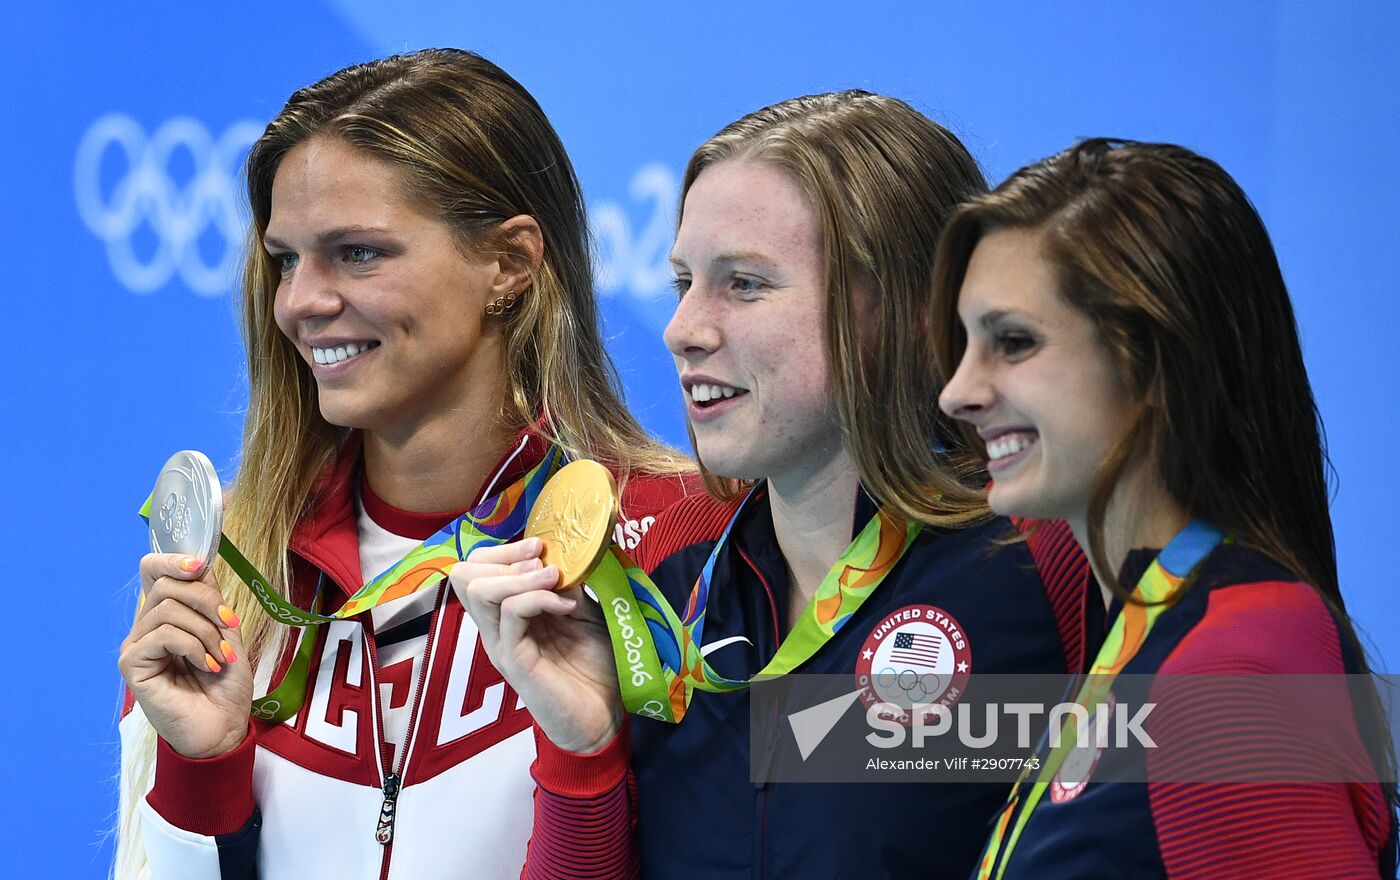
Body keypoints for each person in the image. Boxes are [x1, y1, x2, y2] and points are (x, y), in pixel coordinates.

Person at [453, 91, 1090, 880]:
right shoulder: (675, 607)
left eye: (745, 284)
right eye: (684, 278)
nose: (683, 328)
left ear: (905, 306)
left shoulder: (1051, 566)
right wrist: (586, 748)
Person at [114, 49, 696, 880]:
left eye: (358, 253)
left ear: (510, 263)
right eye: (286, 259)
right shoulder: (233, 567)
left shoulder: (684, 539)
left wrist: (588, 759)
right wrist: (199, 770)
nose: (301, 302)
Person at [934, 138, 1397, 878]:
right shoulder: (1148, 620)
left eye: (1012, 343)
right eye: (963, 344)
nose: (956, 392)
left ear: (1153, 360)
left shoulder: (1236, 669)